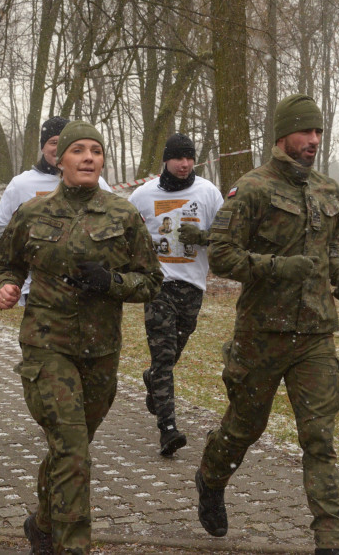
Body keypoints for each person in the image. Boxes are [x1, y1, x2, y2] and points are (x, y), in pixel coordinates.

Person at [195, 94, 339, 555]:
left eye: (318, 131)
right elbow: (221, 253)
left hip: (315, 334)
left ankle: (330, 540)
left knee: (318, 436)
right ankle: (211, 477)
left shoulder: (327, 189)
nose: (314, 139)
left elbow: (329, 246)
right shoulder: (252, 188)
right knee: (244, 427)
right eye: (305, 131)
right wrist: (276, 267)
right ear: (283, 135)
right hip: (262, 333)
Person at [0, 120, 162, 555]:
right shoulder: (33, 212)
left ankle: (43, 523)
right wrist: (6, 285)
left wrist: (111, 282)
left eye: (96, 151)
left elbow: (151, 281)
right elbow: (6, 263)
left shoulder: (123, 214)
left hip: (100, 350)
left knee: (72, 449)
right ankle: (73, 547)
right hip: (47, 346)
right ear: (60, 159)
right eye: (78, 150)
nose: (88, 158)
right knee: (72, 449)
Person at [128, 133, 223, 456]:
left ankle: (152, 379)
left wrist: (203, 236)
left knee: (172, 353)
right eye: (178, 158)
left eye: (189, 158)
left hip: (193, 285)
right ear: (166, 160)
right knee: (164, 357)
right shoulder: (143, 195)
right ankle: (168, 429)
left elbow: (228, 235)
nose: (184, 164)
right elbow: (126, 233)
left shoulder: (208, 192)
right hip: (158, 285)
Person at [0, 116, 111, 305]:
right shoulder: (21, 184)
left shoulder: (96, 182)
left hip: (88, 286)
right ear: (42, 147)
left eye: (64, 142)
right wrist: (20, 262)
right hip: (38, 287)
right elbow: (2, 227)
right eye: (53, 142)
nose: (58, 147)